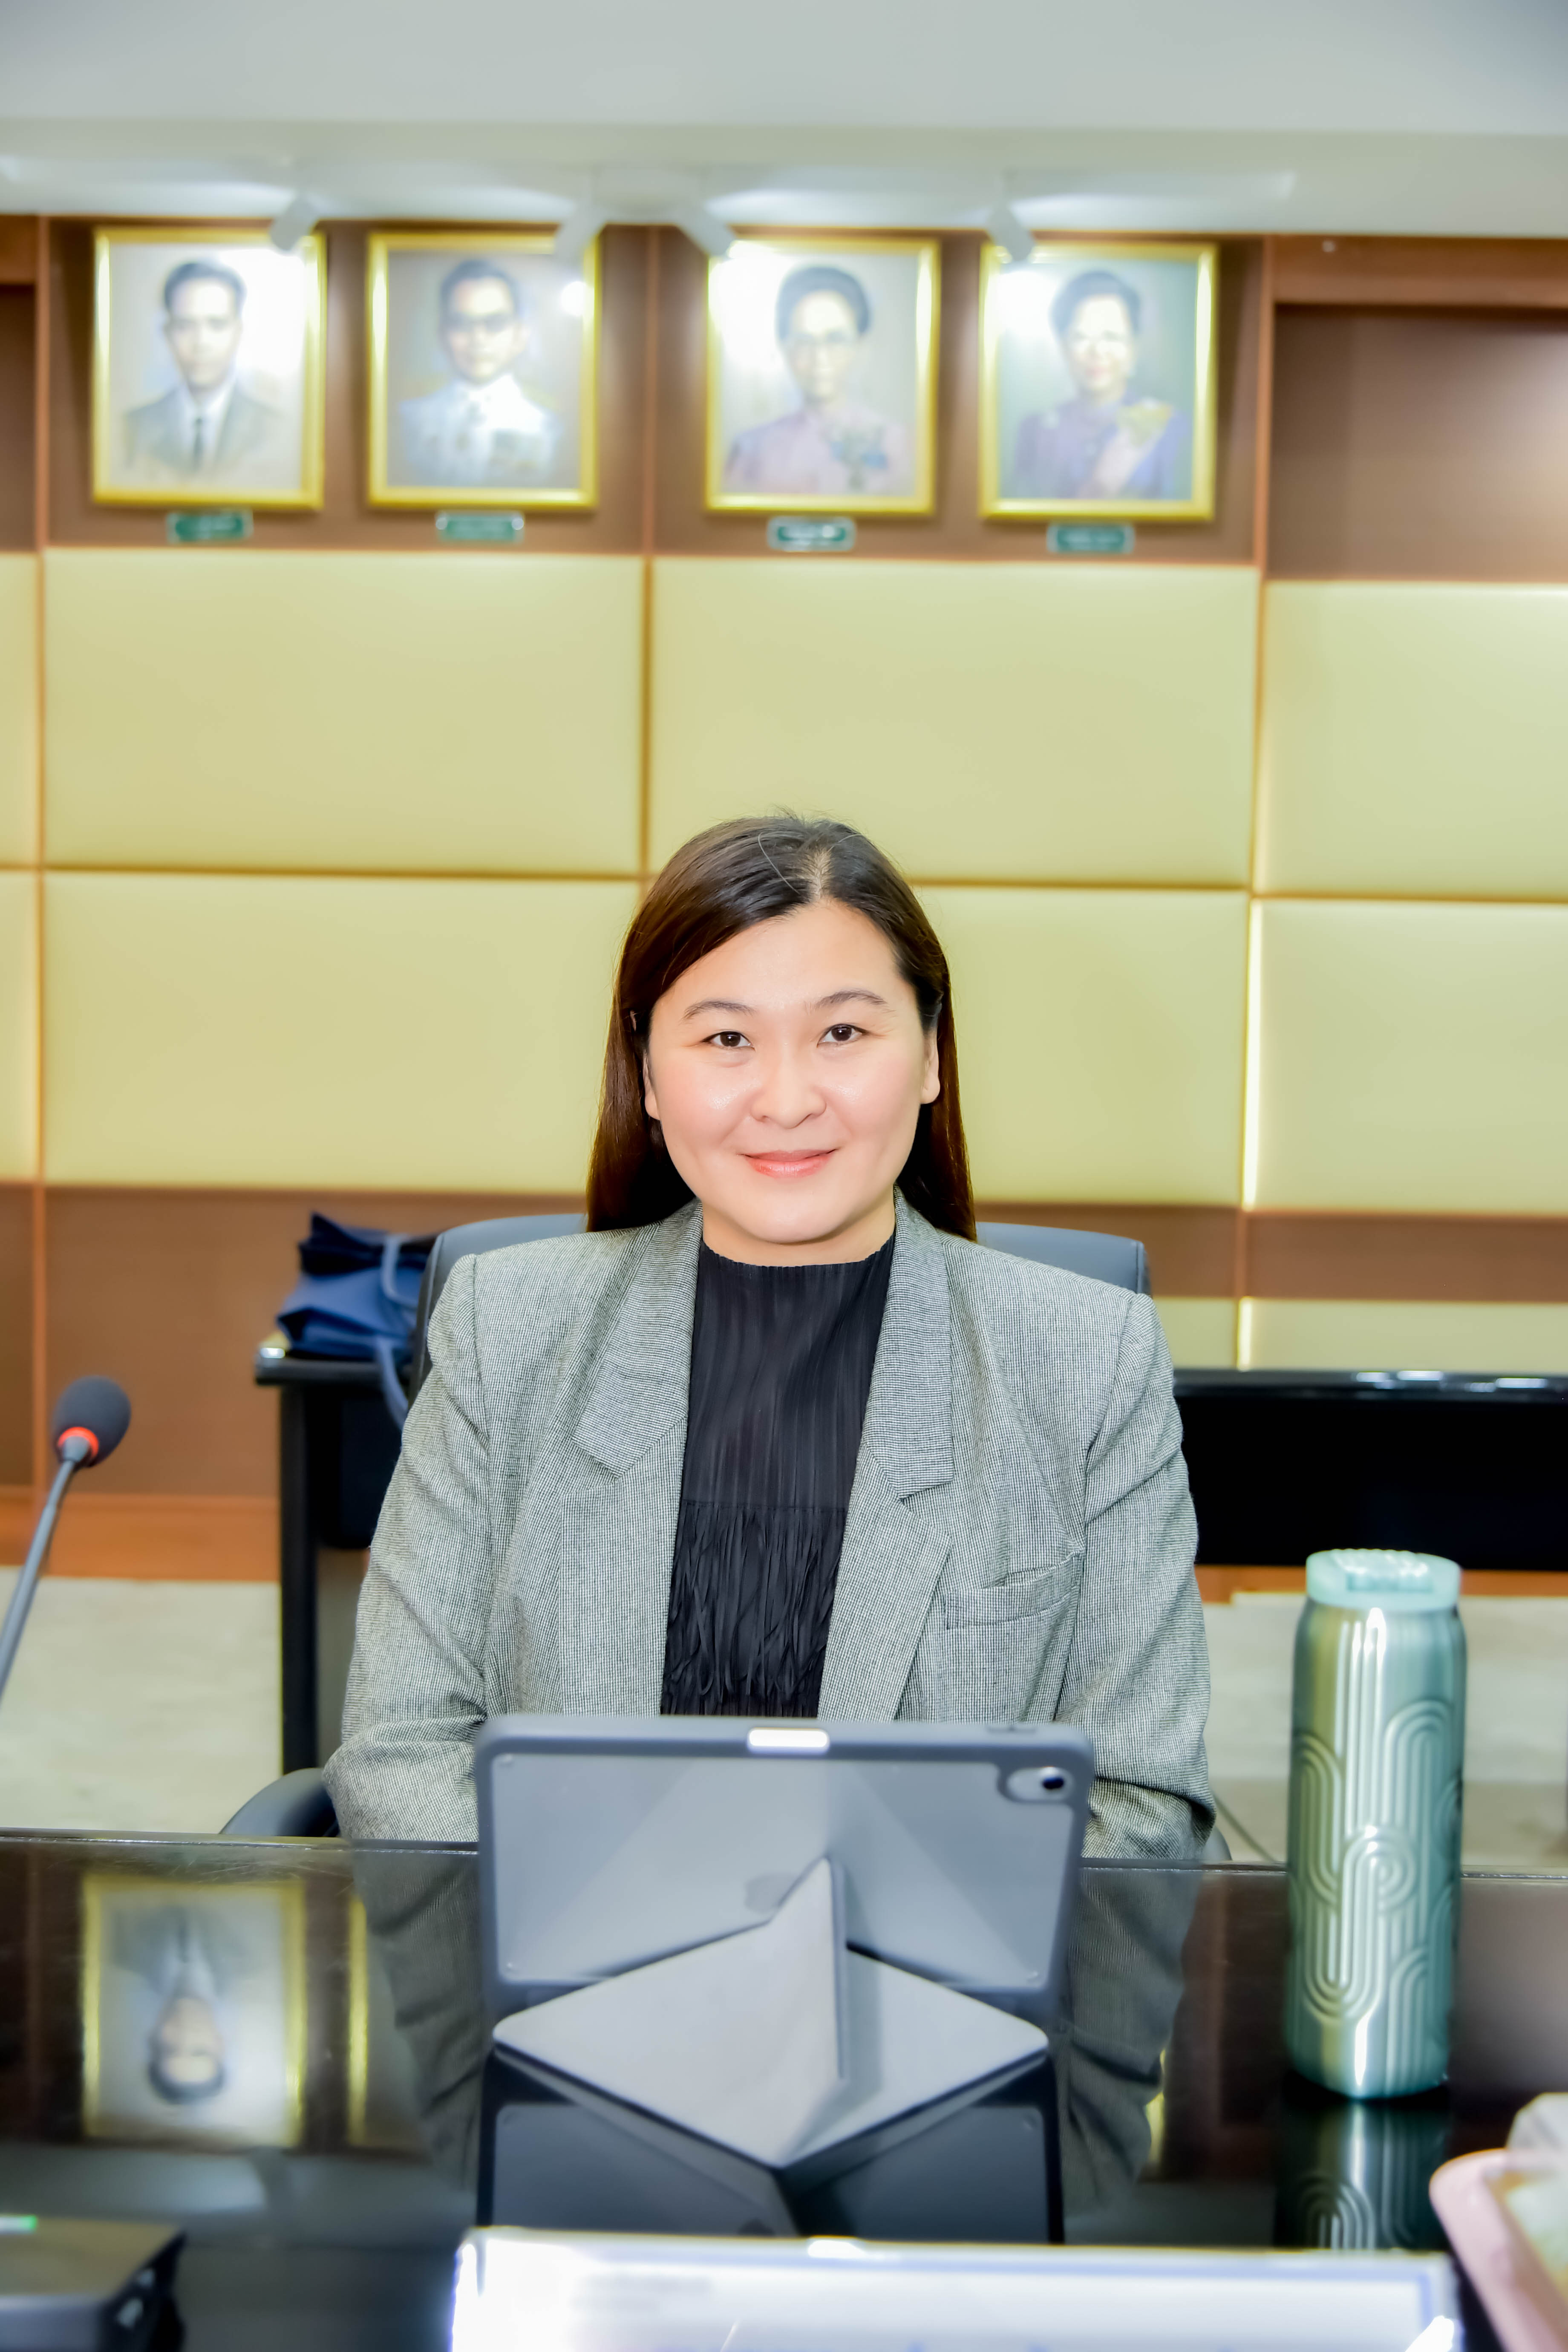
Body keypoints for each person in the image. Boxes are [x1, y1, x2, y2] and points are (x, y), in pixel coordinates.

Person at [325, 816, 1212, 1859]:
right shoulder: (504, 1329)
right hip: (563, 1956)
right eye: (725, 1039)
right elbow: (400, 1755)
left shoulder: (1087, 1361)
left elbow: (1141, 1806)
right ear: (648, 1073)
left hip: (931, 1964)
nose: (786, 1101)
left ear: (930, 1055)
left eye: (843, 1034)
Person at [722, 265, 914, 499]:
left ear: (860, 346)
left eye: (835, 340)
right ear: (785, 348)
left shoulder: (894, 443)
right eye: (804, 341)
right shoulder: (751, 449)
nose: (820, 358)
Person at [1010, 267, 1192, 504]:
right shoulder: (1035, 431)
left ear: (1134, 348)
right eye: (1082, 337)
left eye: (1111, 337)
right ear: (1064, 348)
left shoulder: (1170, 428)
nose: (1098, 351)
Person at [122, 258, 292, 486]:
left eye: (217, 325)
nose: (201, 343)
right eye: (185, 326)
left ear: (239, 332)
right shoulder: (131, 429)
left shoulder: (277, 430)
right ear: (168, 333)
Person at [396, 258, 562, 489]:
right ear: (442, 334)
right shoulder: (410, 421)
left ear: (520, 334)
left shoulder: (547, 426)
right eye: (461, 324)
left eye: (495, 323)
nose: (478, 339)